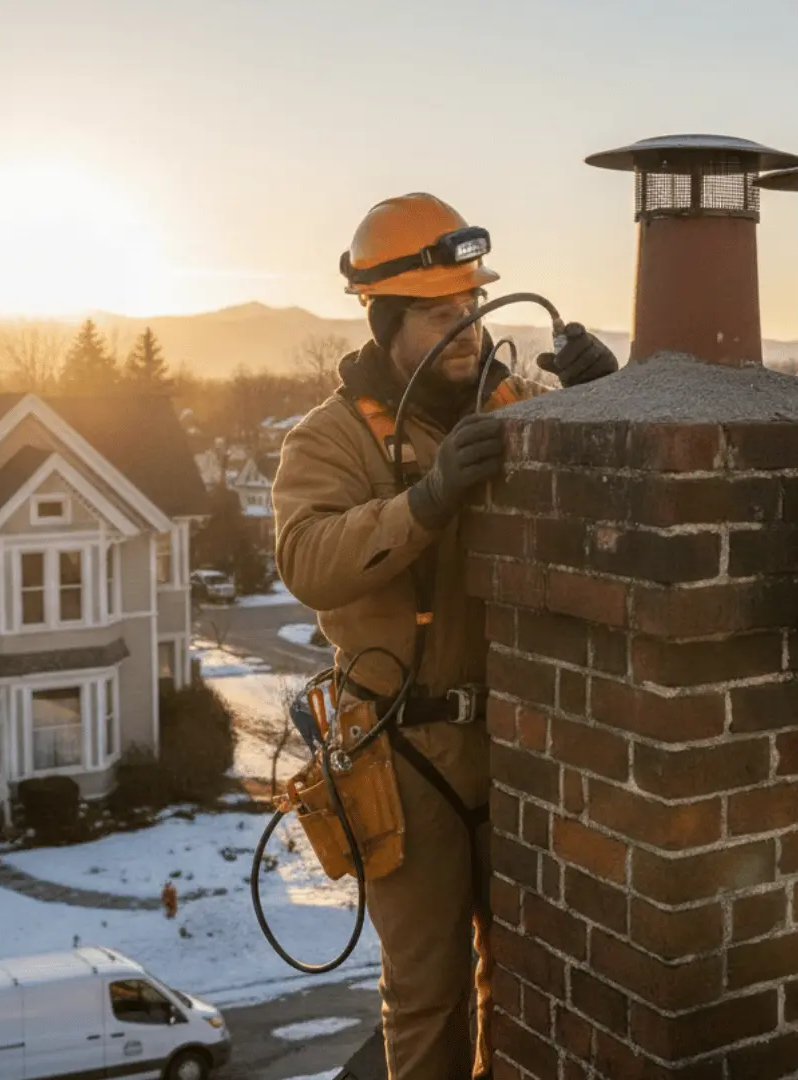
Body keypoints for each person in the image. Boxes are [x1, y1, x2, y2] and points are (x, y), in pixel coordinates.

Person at [271, 193, 617, 1080]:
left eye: (469, 306)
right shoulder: (331, 439)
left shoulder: (514, 404)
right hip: (401, 748)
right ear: (387, 323)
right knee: (428, 996)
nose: (466, 327)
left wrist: (605, 396)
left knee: (526, 970)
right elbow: (309, 559)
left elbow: (611, 484)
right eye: (438, 312)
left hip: (508, 742)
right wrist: (425, 501)